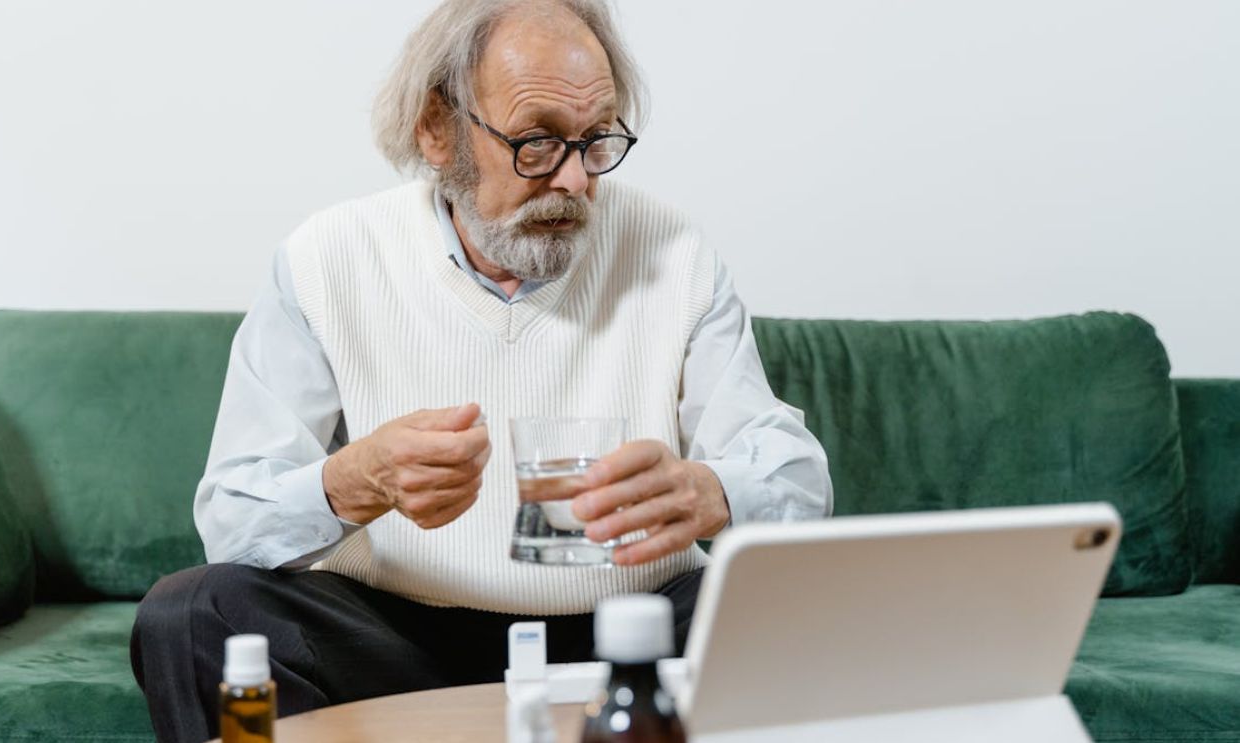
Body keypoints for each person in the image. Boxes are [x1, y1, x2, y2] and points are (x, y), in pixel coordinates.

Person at [130, 1, 832, 741]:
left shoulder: (674, 251)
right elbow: (232, 518)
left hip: (627, 634)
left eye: (595, 142)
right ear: (437, 129)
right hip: (400, 639)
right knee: (193, 609)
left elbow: (795, 479)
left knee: (795, 602)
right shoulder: (327, 257)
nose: (573, 181)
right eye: (535, 143)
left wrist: (709, 490)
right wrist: (351, 482)